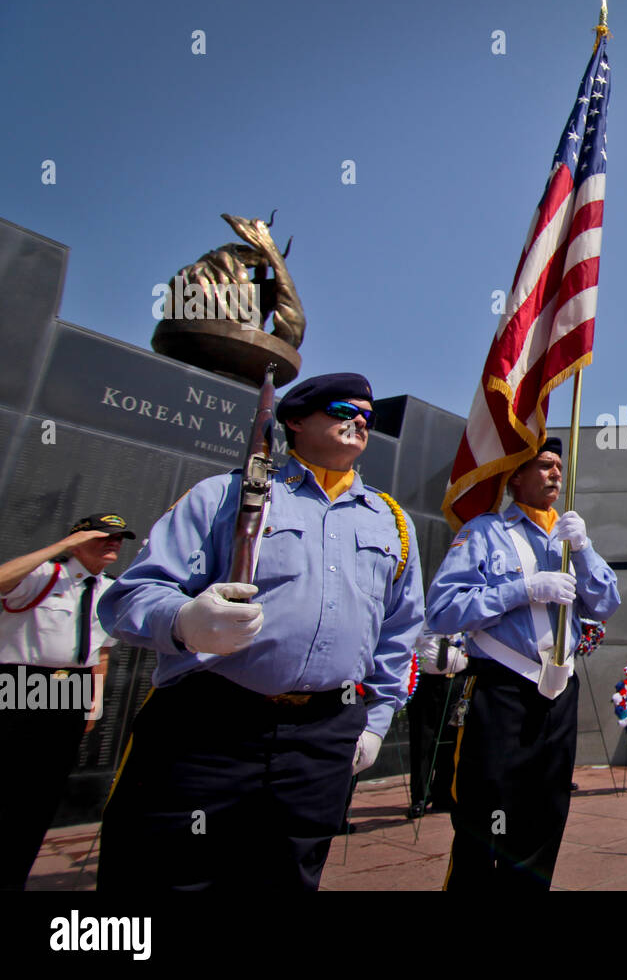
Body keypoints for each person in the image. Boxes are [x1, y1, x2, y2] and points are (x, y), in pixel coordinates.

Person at [97, 372, 424, 891]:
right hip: (210, 724)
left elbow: (400, 633)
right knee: (165, 878)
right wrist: (185, 621)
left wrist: (376, 721)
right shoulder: (225, 495)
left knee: (288, 878)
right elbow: (129, 597)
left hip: (323, 736)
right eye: (343, 409)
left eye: (368, 416)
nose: (359, 420)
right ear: (294, 419)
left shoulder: (394, 523)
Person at [426, 437, 620, 891]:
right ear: (515, 474)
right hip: (500, 688)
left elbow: (607, 603)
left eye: (559, 466)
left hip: (557, 692)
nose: (556, 474)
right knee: (484, 812)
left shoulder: (569, 537)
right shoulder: (484, 532)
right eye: (545, 465)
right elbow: (442, 609)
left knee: (545, 813)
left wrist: (586, 548)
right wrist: (523, 590)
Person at [0, 512, 131, 890]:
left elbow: (102, 655)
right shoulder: (44, 576)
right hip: (23, 681)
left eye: (119, 538)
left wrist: (94, 705)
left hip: (70, 688)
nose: (114, 543)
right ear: (77, 539)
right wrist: (60, 548)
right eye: (104, 536)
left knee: (41, 794)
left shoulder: (109, 590)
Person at [406, 632, 468, 817]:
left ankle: (444, 794)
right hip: (426, 682)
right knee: (422, 742)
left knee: (449, 740)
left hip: (455, 681)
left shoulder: (461, 620)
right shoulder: (425, 619)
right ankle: (420, 798)